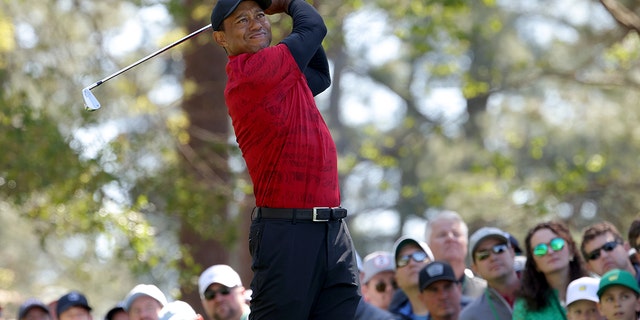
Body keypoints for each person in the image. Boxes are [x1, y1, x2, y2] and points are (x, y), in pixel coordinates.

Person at [209, 0, 360, 318]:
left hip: (333, 231)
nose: (256, 24)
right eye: (242, 21)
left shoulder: (281, 72)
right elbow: (314, 28)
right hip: (288, 234)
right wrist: (289, 3)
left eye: (260, 15)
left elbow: (320, 74)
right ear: (220, 38)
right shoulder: (250, 74)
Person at [512, 221, 588, 320]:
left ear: (571, 249)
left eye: (556, 244)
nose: (550, 252)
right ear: (534, 264)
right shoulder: (525, 307)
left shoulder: (596, 288)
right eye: (540, 249)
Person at [459, 227, 521, 320]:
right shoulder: (470, 316)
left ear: (512, 253)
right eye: (483, 255)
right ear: (475, 268)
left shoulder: (543, 291)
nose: (493, 257)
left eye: (499, 249)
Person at [424, 211, 486, 298]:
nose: (450, 238)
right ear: (428, 245)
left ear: (466, 243)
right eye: (442, 235)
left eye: (456, 234)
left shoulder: (486, 293)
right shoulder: (421, 294)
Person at [388, 236, 435, 319]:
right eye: (403, 260)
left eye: (419, 255)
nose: (412, 263)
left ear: (432, 265)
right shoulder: (390, 317)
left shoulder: (457, 309)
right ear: (397, 279)